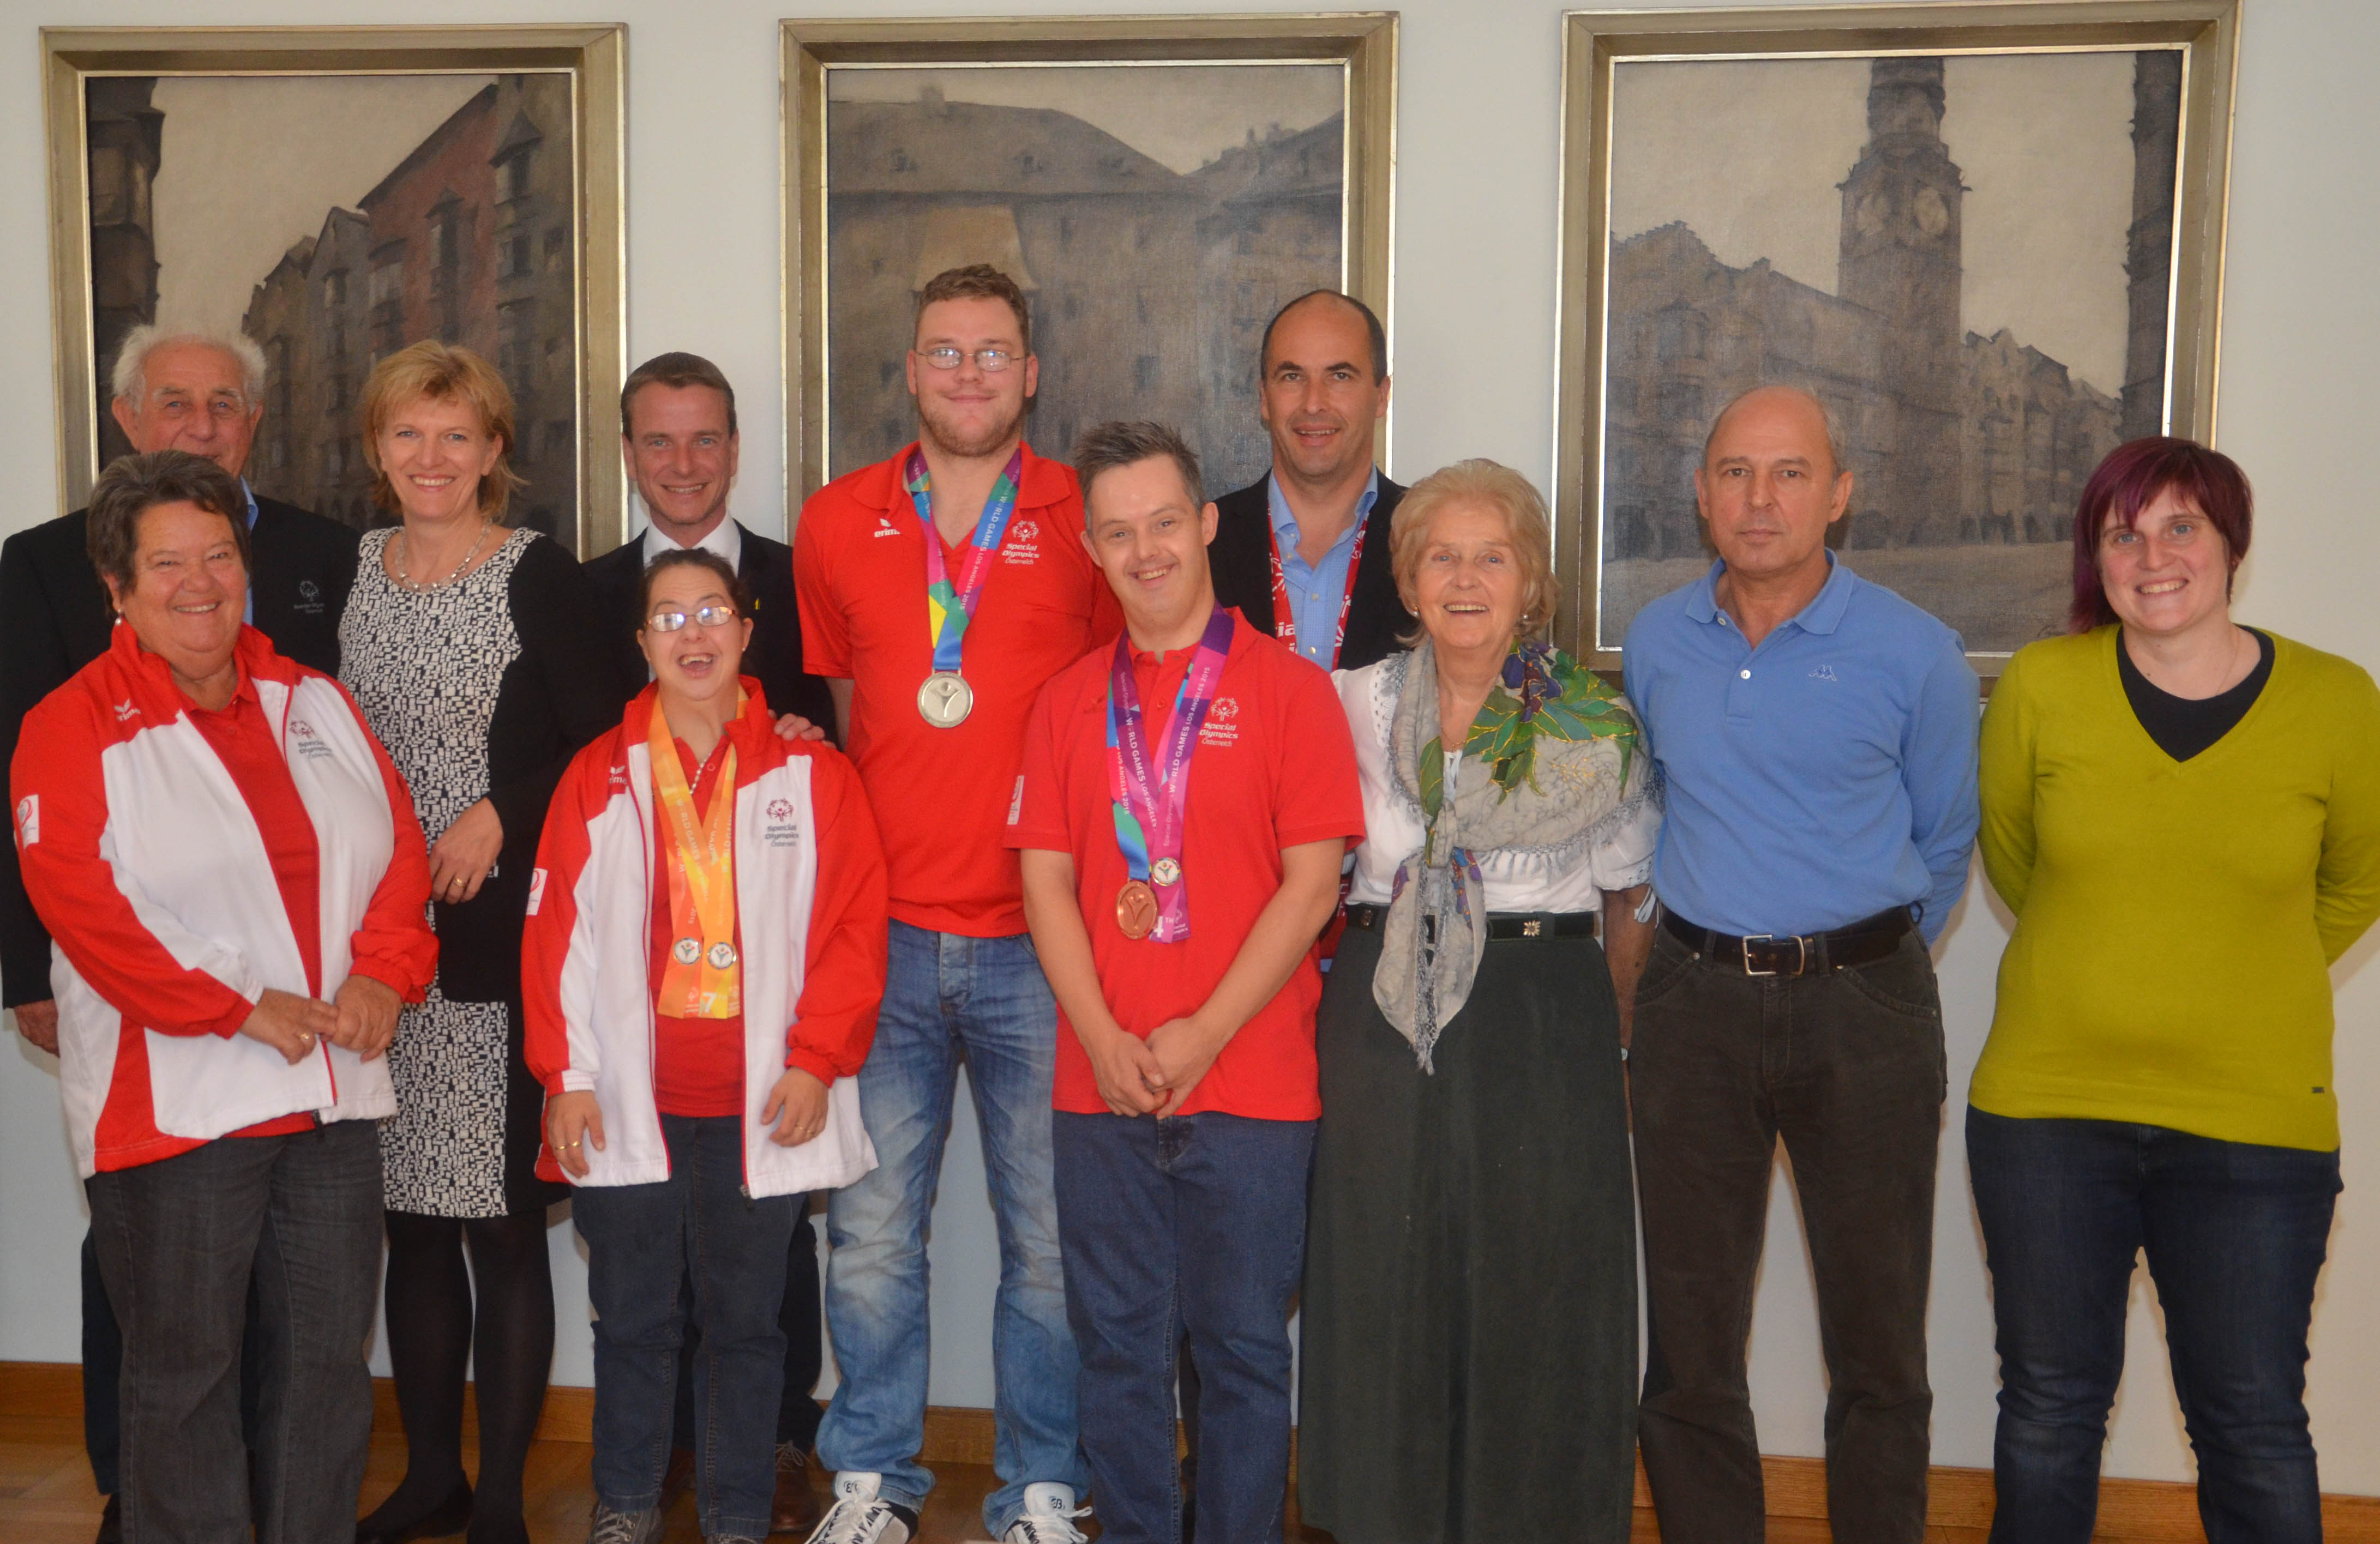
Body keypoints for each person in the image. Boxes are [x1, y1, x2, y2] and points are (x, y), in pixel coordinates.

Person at [10, 449, 437, 1543]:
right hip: (180, 1105)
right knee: (186, 1377)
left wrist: (385, 970)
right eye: (166, 564)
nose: (199, 583)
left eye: (217, 556)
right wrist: (240, 1004)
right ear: (117, 586)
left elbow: (397, 846)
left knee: (325, 1369)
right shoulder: (71, 724)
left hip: (331, 1097)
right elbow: (84, 905)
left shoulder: (316, 699)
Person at [1968, 438, 2380, 1544]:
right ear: (2095, 560)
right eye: (2122, 534)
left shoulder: (2337, 701)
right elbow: (2015, 862)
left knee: (2250, 1425)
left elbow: (2353, 885)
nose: (2152, 557)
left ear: (2230, 542)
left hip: (2254, 1127)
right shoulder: (2041, 687)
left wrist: (2241, 966)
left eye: (2180, 527)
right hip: (2047, 1114)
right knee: (2047, 1413)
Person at [792, 264, 1117, 1544]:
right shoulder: (837, 521)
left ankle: (1039, 1488)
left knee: (1048, 1239)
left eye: (992, 352)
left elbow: (1118, 710)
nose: (968, 373)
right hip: (882, 941)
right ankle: (871, 1482)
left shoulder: (1083, 515)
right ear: (911, 371)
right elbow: (844, 715)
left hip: (1043, 939)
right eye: (945, 351)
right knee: (872, 1236)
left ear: (1029, 374)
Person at [1621, 384, 1978, 1544]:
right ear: (1701, 494)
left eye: (1788, 473)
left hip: (1862, 1009)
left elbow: (1943, 839)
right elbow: (1654, 805)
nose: (1758, 498)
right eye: (1734, 471)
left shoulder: (1915, 653)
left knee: (1877, 1345)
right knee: (1689, 1343)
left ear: (1838, 493)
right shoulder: (1657, 642)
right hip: (1692, 1004)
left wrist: (1858, 958)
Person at [1009, 419, 1360, 1544]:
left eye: (1164, 522)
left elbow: (1311, 887)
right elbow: (1044, 885)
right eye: (1118, 533)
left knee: (1243, 1354)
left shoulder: (1294, 692)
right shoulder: (1064, 703)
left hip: (1251, 1085)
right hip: (1101, 1087)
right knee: (1116, 1352)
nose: (1145, 550)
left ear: (1207, 525)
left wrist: (1202, 1032)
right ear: (1093, 550)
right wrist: (1102, 1038)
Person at [1297, 458, 1658, 1542]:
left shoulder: (1594, 724)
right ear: (1407, 581)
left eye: (1490, 558)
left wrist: (1613, 1043)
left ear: (1530, 582)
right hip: (1381, 1014)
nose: (1464, 581)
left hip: (1542, 1012)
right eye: (1440, 558)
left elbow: (1629, 896)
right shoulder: (1348, 702)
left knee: (1533, 1285)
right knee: (1384, 1270)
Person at [524, 547, 890, 1544]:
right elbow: (556, 937)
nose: (693, 633)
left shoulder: (813, 773)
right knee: (633, 1319)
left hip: (761, 1102)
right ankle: (625, 1504)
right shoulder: (597, 774)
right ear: (642, 644)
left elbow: (853, 930)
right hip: (627, 1102)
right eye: (669, 617)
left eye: (712, 611)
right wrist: (567, 1075)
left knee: (746, 1324)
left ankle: (734, 1516)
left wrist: (815, 1059)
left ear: (745, 630)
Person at [342, 340, 624, 1544]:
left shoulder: (534, 572)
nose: (432, 456)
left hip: (495, 947)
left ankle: (502, 1497)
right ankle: (430, 1479)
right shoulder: (347, 571)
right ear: (377, 448)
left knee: (502, 1227)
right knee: (408, 1225)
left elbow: (606, 737)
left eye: (456, 434)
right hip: (373, 949)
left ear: (493, 450)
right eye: (409, 433)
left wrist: (501, 810)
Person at [585, 351, 840, 1531]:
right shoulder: (585, 592)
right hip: (641, 1008)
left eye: (704, 439)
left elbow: (835, 738)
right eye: (658, 440)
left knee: (765, 1269)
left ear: (735, 450)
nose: (682, 463)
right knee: (641, 1287)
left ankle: (772, 1452)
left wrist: (801, 744)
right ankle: (651, 1474)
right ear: (628, 453)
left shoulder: (798, 578)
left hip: (764, 1008)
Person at [1208, 291, 1405, 673]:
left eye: (1340, 376)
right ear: (1265, 398)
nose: (1314, 403)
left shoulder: (1435, 542)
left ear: (1381, 397)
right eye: (1293, 377)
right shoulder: (1200, 546)